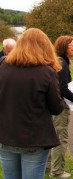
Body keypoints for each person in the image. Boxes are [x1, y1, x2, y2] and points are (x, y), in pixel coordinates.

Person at [0, 28, 64, 179]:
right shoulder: (47, 72)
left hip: (6, 135)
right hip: (34, 139)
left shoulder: (2, 65)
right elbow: (56, 108)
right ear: (45, 47)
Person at [48, 35, 73, 178]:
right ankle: (57, 171)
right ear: (65, 47)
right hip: (59, 107)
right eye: (72, 45)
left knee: (51, 136)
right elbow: (62, 88)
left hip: (51, 105)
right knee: (60, 138)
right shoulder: (62, 63)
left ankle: (48, 166)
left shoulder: (57, 60)